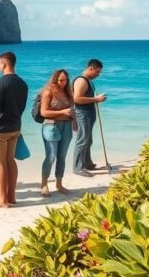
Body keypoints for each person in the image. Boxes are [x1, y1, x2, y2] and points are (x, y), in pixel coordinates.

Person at [0, 51, 28, 209]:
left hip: (0, 129)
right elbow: (22, 107)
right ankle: (11, 197)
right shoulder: (22, 83)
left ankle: (2, 199)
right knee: (10, 161)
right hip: (15, 127)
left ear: (4, 63)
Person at [38, 69, 77, 197]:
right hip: (51, 126)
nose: (63, 83)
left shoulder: (68, 92)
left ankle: (59, 184)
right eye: (61, 80)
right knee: (51, 156)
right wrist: (62, 112)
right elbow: (43, 112)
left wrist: (75, 122)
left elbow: (72, 110)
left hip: (67, 126)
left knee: (62, 156)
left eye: (65, 80)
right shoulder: (48, 92)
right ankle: (44, 184)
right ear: (55, 79)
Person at [72, 59, 107, 177]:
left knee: (88, 140)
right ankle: (78, 168)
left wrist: (96, 99)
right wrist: (96, 99)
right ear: (91, 68)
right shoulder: (81, 80)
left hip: (89, 114)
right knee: (82, 140)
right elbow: (76, 99)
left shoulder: (89, 81)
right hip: (83, 114)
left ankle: (87, 163)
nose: (98, 75)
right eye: (97, 72)